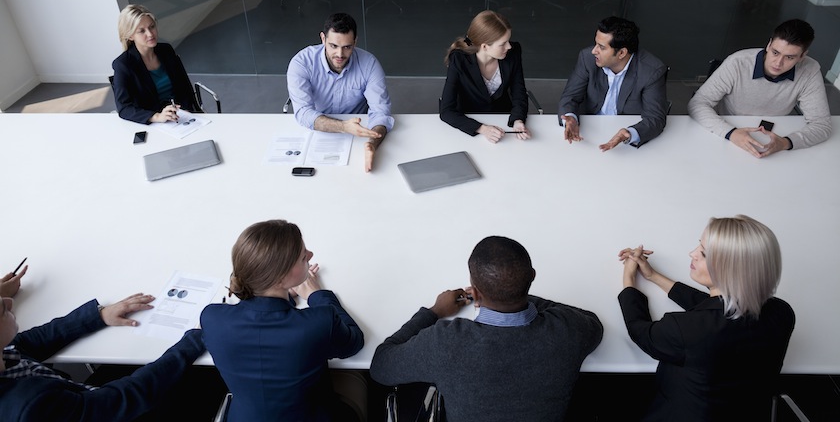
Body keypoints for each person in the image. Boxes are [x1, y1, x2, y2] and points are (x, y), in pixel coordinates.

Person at [370, 236, 603, 422]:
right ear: (532, 277)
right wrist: (518, 292)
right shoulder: (568, 330)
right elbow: (592, 321)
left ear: (476, 292)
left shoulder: (447, 342)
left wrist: (433, 312)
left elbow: (381, 366)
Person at [617, 215, 795, 421]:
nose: (692, 253)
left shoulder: (685, 329)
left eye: (703, 253)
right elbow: (717, 307)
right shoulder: (782, 313)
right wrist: (653, 276)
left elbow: (640, 331)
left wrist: (629, 279)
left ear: (729, 270)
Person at [201, 219, 365, 422]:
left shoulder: (212, 318)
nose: (310, 255)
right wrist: (317, 295)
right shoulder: (319, 322)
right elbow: (354, 341)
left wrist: (283, 296)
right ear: (280, 279)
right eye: (302, 257)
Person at [0, 279, 205, 422]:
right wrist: (192, 342)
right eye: (1, 308)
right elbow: (125, 399)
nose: (9, 302)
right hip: (119, 410)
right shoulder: (30, 407)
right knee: (204, 374)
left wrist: (100, 315)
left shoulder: (4, 355)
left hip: (82, 401)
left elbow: (30, 342)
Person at [687, 19, 831, 157]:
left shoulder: (809, 70)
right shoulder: (737, 63)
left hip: (776, 134)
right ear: (769, 45)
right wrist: (731, 133)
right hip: (728, 131)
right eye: (775, 52)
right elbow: (698, 103)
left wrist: (786, 143)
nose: (778, 63)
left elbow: (821, 124)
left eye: (789, 57)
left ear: (802, 56)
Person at [287, 13, 394, 172]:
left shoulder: (369, 64)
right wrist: (343, 127)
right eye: (333, 46)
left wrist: (372, 143)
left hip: (359, 131)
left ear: (355, 41)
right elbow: (303, 113)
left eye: (347, 47)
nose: (340, 54)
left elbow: (381, 112)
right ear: (323, 39)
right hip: (317, 131)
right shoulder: (301, 63)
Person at [558, 16, 668, 150]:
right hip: (588, 133)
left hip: (625, 137)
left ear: (622, 53)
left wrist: (630, 133)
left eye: (602, 47)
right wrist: (570, 118)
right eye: (596, 44)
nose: (594, 51)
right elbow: (570, 97)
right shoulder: (587, 58)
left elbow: (655, 118)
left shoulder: (652, 71)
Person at [440, 10, 531, 142]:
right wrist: (482, 129)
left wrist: (518, 120)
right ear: (484, 46)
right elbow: (446, 111)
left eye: (508, 40)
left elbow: (519, 92)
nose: (509, 46)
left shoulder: (513, 53)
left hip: (502, 121)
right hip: (469, 121)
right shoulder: (459, 60)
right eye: (502, 44)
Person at [112, 4, 198, 124]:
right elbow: (124, 108)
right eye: (142, 31)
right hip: (154, 121)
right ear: (130, 35)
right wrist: (156, 117)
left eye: (152, 27)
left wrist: (187, 109)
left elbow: (185, 88)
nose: (150, 34)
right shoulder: (123, 64)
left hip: (181, 116)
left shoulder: (166, 50)